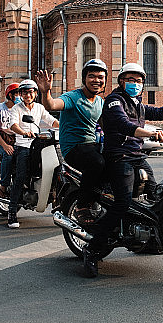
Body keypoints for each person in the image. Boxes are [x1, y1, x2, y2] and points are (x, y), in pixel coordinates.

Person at [87, 64, 163, 277]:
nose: (134, 84)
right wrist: (151, 134)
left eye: (138, 81)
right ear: (121, 81)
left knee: (156, 196)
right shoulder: (114, 100)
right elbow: (122, 124)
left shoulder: (137, 104)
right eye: (130, 80)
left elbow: (161, 112)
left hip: (137, 157)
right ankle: (92, 249)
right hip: (119, 157)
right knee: (122, 203)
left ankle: (148, 239)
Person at [36, 59, 108, 225]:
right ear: (84, 79)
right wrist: (46, 93)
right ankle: (82, 206)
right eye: (92, 76)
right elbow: (52, 105)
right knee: (97, 162)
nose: (96, 80)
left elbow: (109, 125)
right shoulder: (73, 97)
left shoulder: (100, 101)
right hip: (73, 148)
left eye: (100, 77)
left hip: (92, 145)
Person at [5, 79, 58, 228]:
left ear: (35, 93)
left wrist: (66, 126)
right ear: (21, 94)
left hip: (37, 144)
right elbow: (13, 125)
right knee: (21, 177)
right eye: (25, 92)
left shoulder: (40, 108)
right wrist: (23, 132)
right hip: (23, 145)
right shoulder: (16, 108)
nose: (28, 95)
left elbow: (51, 121)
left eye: (30, 92)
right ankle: (12, 212)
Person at [0, 82, 20, 203]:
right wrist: (5, 146)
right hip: (0, 141)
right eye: (16, 94)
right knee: (8, 155)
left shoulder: (20, 109)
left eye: (20, 94)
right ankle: (3, 187)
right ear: (9, 95)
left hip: (16, 140)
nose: (19, 96)